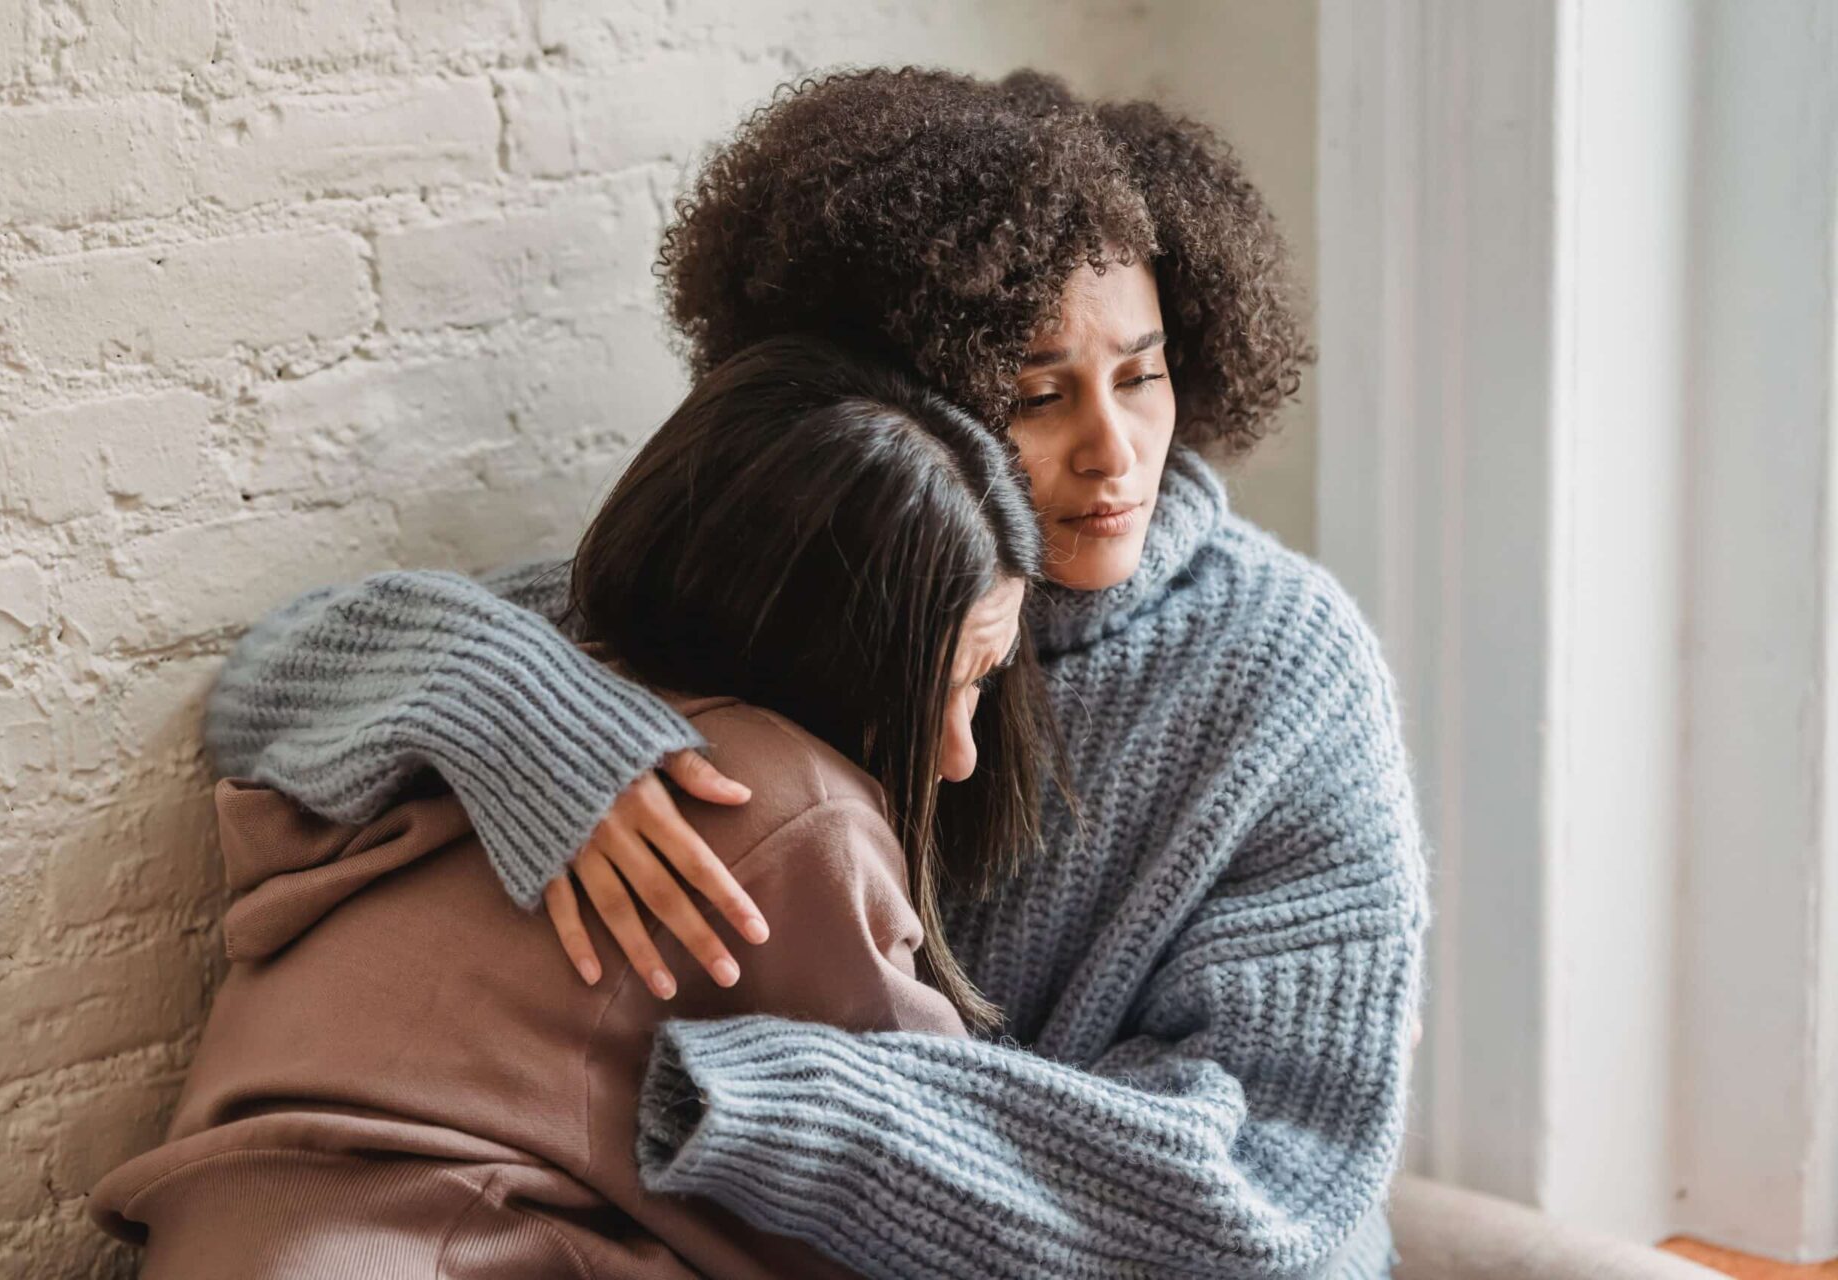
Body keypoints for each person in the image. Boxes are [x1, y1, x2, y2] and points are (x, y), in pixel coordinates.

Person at [202, 67, 1431, 1279]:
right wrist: (526, 721)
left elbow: (1280, 1183)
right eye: (1039, 393)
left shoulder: (1290, 670)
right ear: (903, 401)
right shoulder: (820, 572)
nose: (1116, 451)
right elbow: (270, 685)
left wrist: (791, 1104)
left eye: (1143, 373)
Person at [87, 336, 1051, 1278]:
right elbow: (945, 1180)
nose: (962, 756)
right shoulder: (792, 804)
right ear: (834, 651)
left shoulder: (568, 649)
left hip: (237, 1224)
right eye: (954, 687)